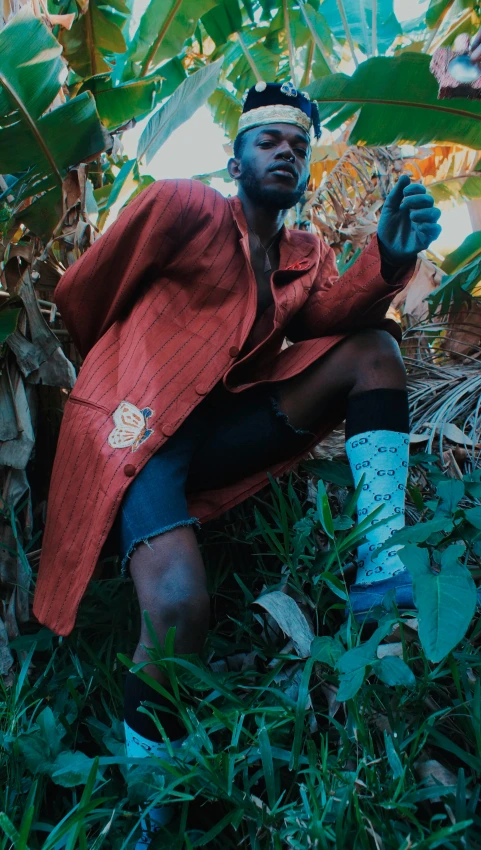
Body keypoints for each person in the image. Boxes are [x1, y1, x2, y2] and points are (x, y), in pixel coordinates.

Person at [32, 82, 441, 843]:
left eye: (296, 145)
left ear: (305, 168)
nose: (283, 151)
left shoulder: (301, 255)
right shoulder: (182, 208)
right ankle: (155, 814)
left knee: (373, 351)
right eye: (267, 141)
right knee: (181, 603)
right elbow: (83, 294)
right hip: (135, 421)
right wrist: (122, 376)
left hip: (212, 423)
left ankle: (383, 567)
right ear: (236, 159)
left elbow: (330, 318)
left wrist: (389, 255)